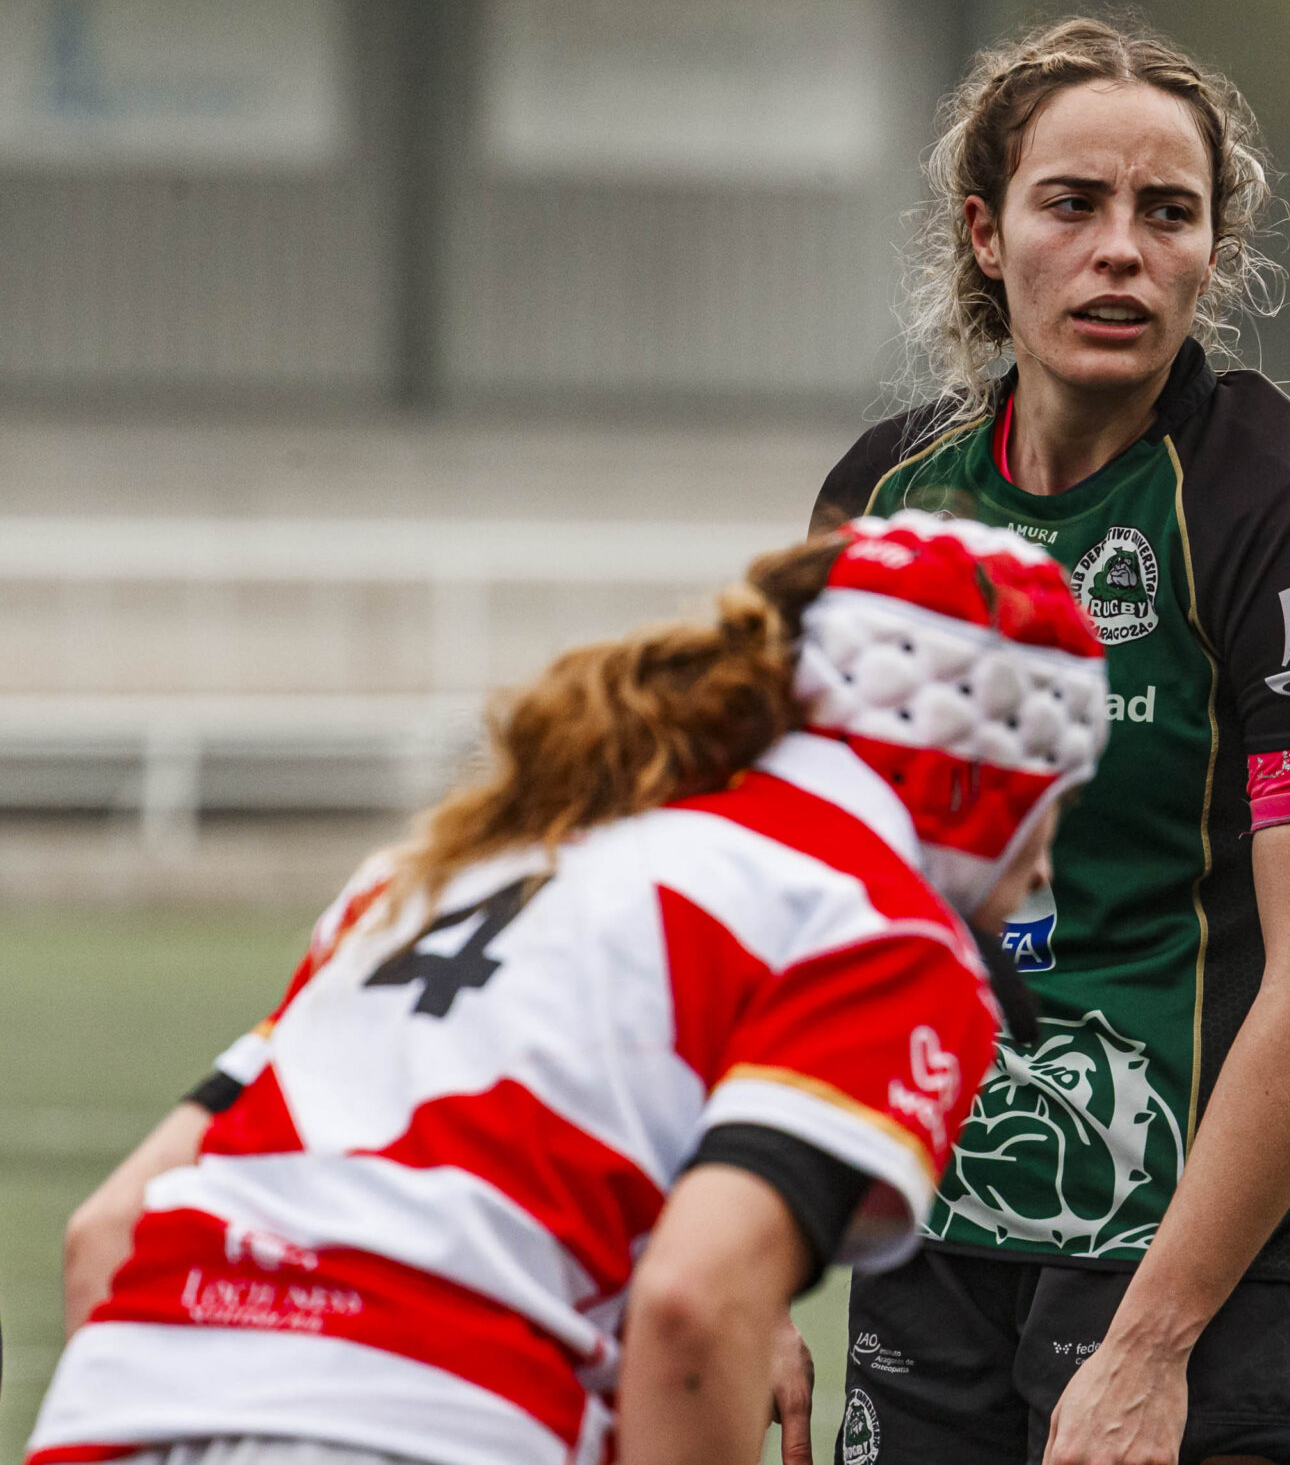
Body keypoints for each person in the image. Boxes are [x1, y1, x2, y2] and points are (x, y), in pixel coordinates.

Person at [30, 512, 1108, 1465]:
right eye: (1051, 814)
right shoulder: (874, 923)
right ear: (988, 779)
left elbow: (109, 1232)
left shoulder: (456, 860)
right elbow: (696, 1303)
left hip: (120, 1405)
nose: (1044, 867)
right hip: (444, 1419)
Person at [808, 16, 1290, 1465]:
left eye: (1169, 212)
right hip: (935, 1241)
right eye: (1073, 204)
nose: (1122, 251)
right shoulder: (882, 500)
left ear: (1216, 251)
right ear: (984, 229)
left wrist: (1152, 1344)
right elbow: (814, 889)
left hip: (1210, 1270)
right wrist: (752, 1245)